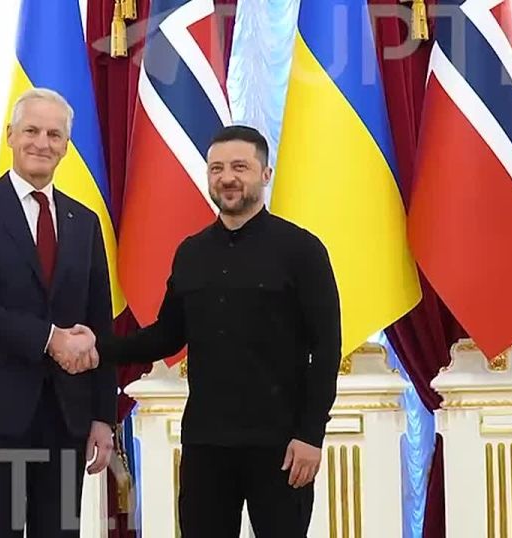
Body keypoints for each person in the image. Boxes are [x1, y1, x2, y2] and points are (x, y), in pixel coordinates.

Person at [95, 125, 342, 537]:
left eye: (240, 167)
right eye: (217, 169)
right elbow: (166, 336)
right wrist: (96, 348)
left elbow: (327, 348)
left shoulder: (303, 250)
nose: (227, 178)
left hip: (282, 447)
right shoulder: (191, 252)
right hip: (205, 445)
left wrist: (310, 435)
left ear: (266, 174)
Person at [0, 87, 117, 537]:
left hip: (66, 415)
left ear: (66, 146)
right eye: (32, 131)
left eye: (54, 135)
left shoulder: (85, 221)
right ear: (11, 136)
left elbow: (100, 324)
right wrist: (49, 339)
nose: (42, 143)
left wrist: (103, 416)